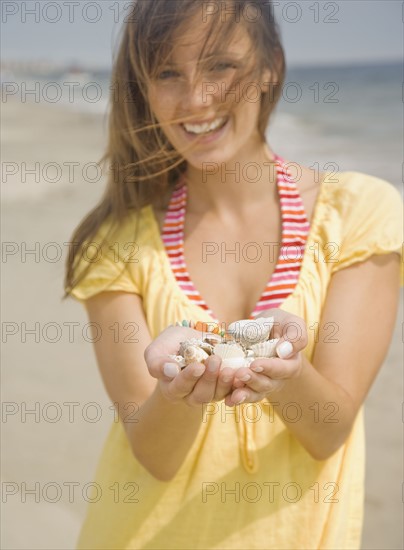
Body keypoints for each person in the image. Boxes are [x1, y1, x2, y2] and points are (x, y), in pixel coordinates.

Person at [63, 1, 403, 548]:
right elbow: (154, 454)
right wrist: (178, 391)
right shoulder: (117, 242)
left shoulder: (361, 213)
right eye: (169, 72)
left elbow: (327, 431)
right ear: (143, 88)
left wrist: (285, 374)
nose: (197, 99)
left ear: (270, 66)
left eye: (220, 65)